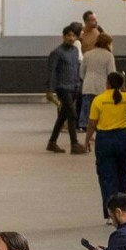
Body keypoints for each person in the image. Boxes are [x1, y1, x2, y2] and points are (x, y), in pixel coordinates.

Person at [86, 71, 126, 221]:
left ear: (107, 83)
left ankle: (110, 214)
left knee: (107, 178)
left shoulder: (99, 100)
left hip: (105, 140)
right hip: (123, 138)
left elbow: (92, 123)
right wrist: (123, 89)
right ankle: (125, 212)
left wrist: (87, 139)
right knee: (123, 176)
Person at [45, 25, 85, 154]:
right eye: (68, 35)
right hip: (62, 87)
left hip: (74, 87)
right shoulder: (57, 53)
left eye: (73, 36)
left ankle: (52, 142)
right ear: (63, 37)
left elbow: (77, 68)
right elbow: (51, 72)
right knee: (72, 113)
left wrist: (78, 84)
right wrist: (50, 90)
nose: (71, 38)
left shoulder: (75, 51)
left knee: (63, 116)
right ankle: (74, 144)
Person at [78, 30, 115, 131]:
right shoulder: (108, 55)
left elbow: (81, 72)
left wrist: (85, 79)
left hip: (87, 86)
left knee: (88, 111)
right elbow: (111, 73)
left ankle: (86, 129)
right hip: (102, 87)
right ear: (107, 43)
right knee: (101, 111)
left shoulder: (87, 54)